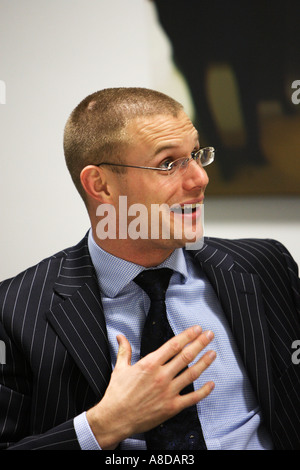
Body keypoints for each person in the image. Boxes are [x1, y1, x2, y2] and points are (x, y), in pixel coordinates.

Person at [0, 87, 299, 450]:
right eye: (168, 164)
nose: (200, 180)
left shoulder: (265, 267)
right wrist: (102, 427)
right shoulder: (14, 309)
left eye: (196, 155)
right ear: (101, 185)